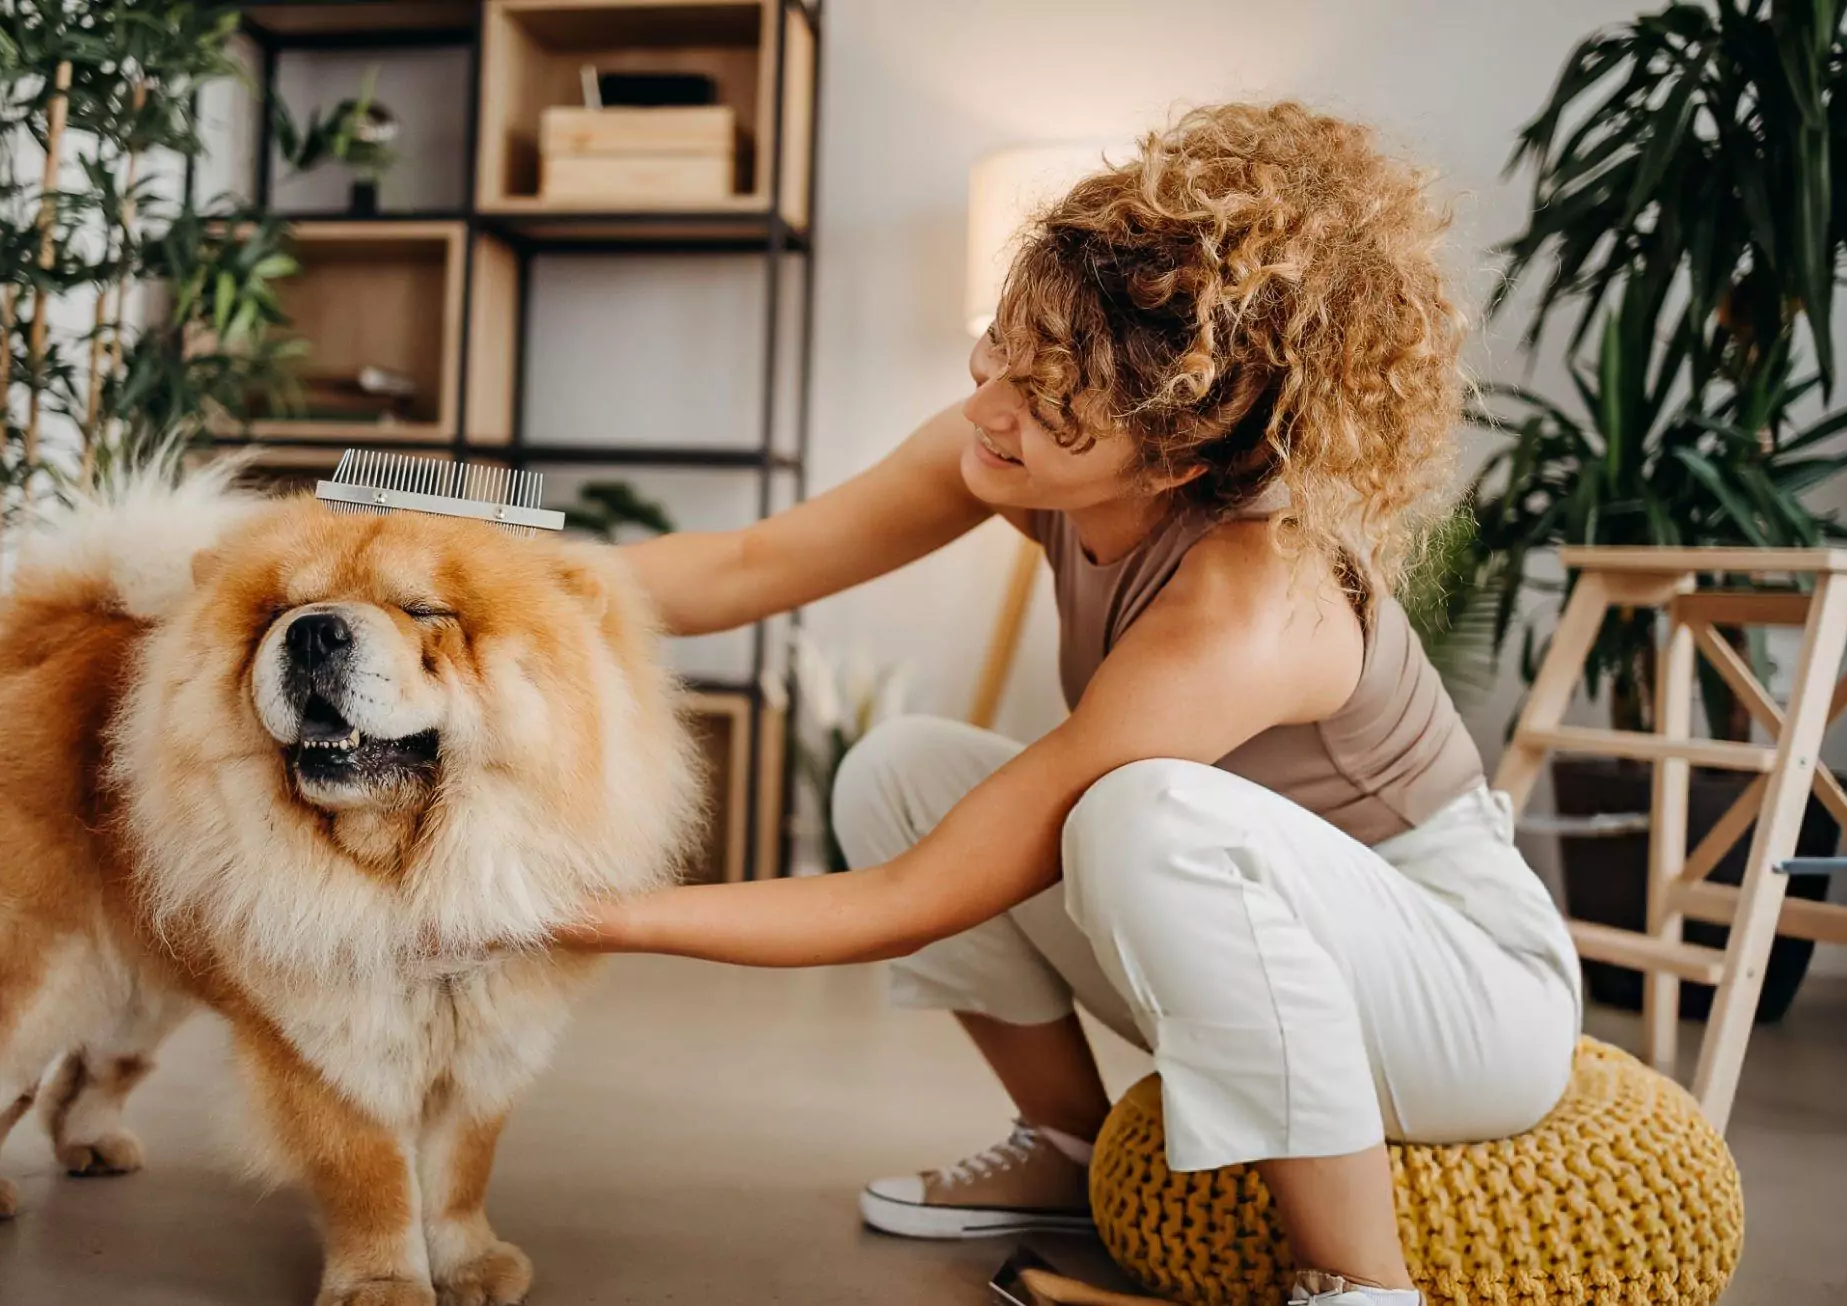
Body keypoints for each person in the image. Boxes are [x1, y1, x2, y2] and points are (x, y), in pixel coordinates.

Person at [576, 102, 1582, 1306]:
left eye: (1050, 398)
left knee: (1141, 811)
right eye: (1003, 347)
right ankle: (1060, 1154)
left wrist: (581, 914)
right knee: (894, 767)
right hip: (1270, 933)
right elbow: (746, 567)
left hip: (1470, 991)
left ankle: (1360, 1286)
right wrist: (481, 577)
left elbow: (908, 900)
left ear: (1175, 455)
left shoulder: (1246, 606)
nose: (991, 401)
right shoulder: (1014, 447)